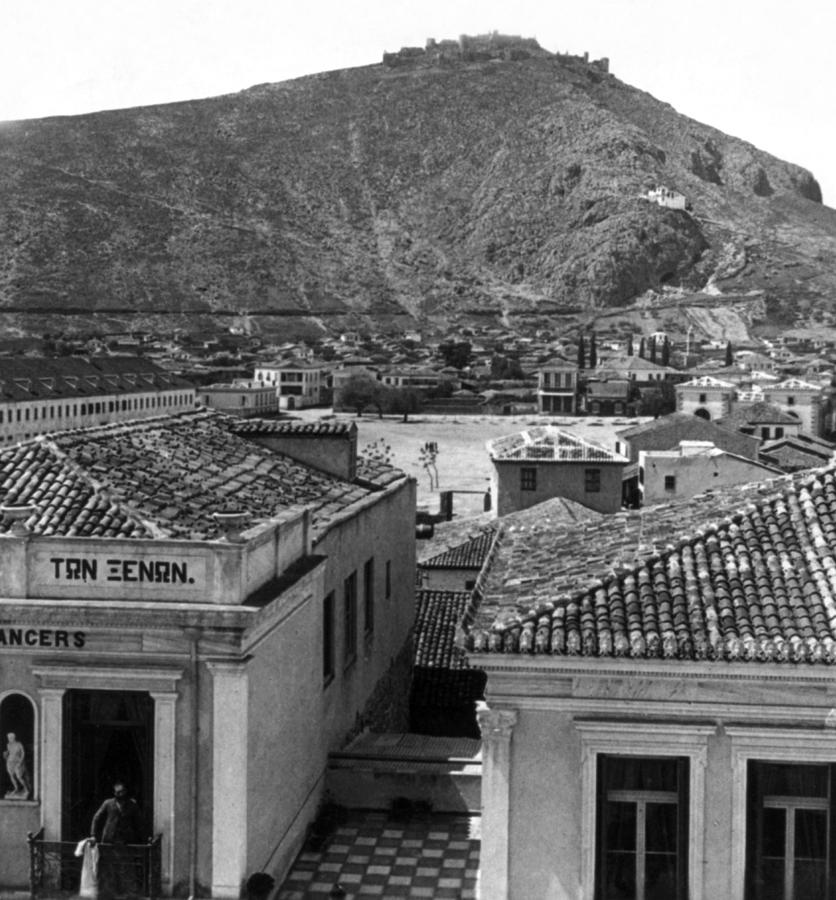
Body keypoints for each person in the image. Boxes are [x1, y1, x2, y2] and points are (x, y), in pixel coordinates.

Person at [90, 782, 143, 899]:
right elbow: (96, 818)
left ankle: (127, 894)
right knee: (107, 867)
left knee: (126, 867)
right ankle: (107, 894)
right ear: (114, 793)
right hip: (109, 840)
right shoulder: (108, 803)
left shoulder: (132, 805)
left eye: (123, 791)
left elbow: (139, 822)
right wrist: (93, 835)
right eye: (118, 792)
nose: (121, 794)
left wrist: (142, 838)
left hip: (125, 841)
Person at [3, 732, 31, 799]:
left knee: (19, 776)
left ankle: (26, 789)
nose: (9, 739)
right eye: (8, 738)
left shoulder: (19, 744)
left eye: (10, 738)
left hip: (17, 761)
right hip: (10, 762)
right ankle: (16, 788)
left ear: (13, 738)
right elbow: (9, 753)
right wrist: (5, 755)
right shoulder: (8, 745)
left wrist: (21, 761)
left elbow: (23, 753)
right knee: (11, 776)